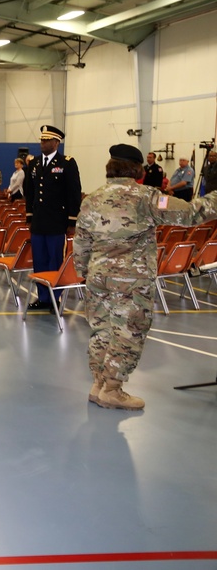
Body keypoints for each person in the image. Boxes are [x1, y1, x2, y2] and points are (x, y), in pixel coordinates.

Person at [74, 144, 217, 411]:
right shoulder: (146, 197)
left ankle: (98, 385)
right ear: (137, 170)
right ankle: (112, 391)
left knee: (102, 331)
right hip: (131, 280)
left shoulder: (92, 198)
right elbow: (190, 214)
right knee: (129, 333)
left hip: (97, 277)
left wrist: (84, 271)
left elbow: (80, 241)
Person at [23, 125, 82, 311]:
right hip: (39, 220)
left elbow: (74, 192)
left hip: (58, 222)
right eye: (41, 140)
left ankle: (55, 297)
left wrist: (72, 221)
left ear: (56, 143)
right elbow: (29, 190)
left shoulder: (67, 163)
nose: (43, 143)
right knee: (39, 261)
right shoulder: (34, 163)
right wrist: (30, 216)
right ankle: (43, 297)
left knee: (55, 261)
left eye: (47, 140)